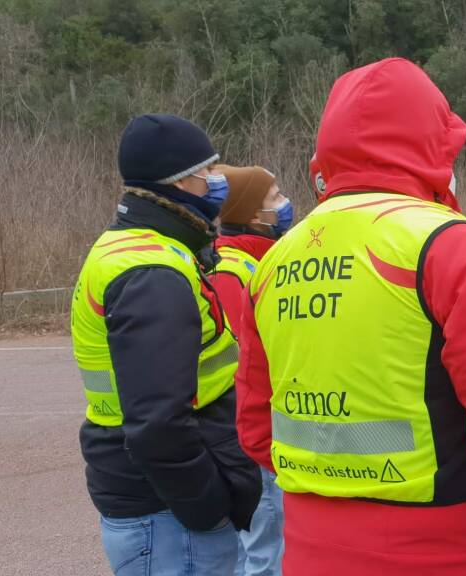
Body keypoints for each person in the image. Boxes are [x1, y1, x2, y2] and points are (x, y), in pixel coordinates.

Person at [234, 57, 466, 576]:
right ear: (436, 147)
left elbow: (256, 429)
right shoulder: (453, 248)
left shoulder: (274, 261)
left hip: (311, 546)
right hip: (451, 548)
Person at [71, 114, 262, 575]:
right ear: (179, 182)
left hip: (157, 507)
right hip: (171, 518)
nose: (218, 182)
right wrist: (208, 506)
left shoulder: (139, 248)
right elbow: (157, 423)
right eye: (209, 171)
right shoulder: (151, 271)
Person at [206, 165, 292, 576]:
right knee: (265, 549)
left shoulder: (263, 261)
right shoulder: (232, 269)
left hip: (262, 424)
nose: (285, 203)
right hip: (249, 428)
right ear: (253, 215)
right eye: (274, 197)